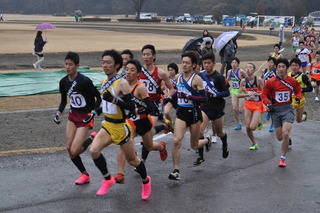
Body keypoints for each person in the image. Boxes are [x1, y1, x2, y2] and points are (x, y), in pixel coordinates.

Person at [89, 50, 151, 199]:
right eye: (103, 62)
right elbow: (104, 104)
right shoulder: (104, 82)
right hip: (108, 125)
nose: (105, 65)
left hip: (121, 127)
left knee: (132, 161)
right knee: (94, 151)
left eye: (108, 62)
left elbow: (131, 106)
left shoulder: (121, 83)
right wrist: (93, 113)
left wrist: (114, 100)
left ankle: (146, 181)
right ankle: (108, 179)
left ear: (117, 65)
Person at [115, 59, 167, 184]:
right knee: (124, 142)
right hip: (129, 122)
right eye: (126, 69)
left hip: (143, 121)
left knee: (148, 146)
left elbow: (150, 108)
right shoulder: (121, 85)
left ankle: (161, 147)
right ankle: (120, 173)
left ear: (138, 74)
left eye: (132, 70)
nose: (128, 72)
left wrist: (137, 112)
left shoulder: (140, 87)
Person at [53, 51, 102, 185]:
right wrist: (58, 114)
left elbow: (99, 97)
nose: (67, 67)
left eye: (71, 64)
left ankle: (92, 138)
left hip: (85, 117)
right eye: (66, 64)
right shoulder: (63, 82)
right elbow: (64, 101)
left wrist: (93, 112)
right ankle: (85, 174)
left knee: (75, 150)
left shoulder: (84, 81)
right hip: (72, 115)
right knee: (69, 148)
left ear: (77, 66)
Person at [166, 51, 211, 180]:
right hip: (181, 113)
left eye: (187, 63)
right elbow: (177, 93)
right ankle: (176, 170)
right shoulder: (178, 77)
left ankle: (206, 140)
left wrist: (188, 96)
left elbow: (204, 99)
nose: (184, 65)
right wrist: (169, 99)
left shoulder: (197, 79)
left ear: (193, 65)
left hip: (194, 114)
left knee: (194, 145)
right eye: (183, 62)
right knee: (176, 141)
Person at [261, 58, 302, 167]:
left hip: (287, 109)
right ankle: (286, 138)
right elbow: (263, 94)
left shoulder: (292, 81)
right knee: (280, 137)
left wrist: (297, 98)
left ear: (287, 68)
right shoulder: (271, 82)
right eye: (279, 67)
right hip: (275, 110)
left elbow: (298, 90)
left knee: (285, 133)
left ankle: (282, 158)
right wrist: (267, 103)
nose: (281, 69)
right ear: (276, 68)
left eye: (283, 67)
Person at [139, 44, 175, 162]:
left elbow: (172, 88)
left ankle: (142, 162)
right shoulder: (138, 71)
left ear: (154, 56)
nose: (145, 57)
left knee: (147, 133)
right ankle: (165, 126)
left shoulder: (160, 72)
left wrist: (168, 97)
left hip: (154, 106)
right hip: (140, 105)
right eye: (144, 54)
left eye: (148, 54)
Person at [193, 53, 230, 165]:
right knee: (200, 131)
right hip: (205, 107)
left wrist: (216, 94)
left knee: (219, 132)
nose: (206, 65)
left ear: (214, 63)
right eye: (204, 63)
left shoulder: (218, 77)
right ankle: (201, 156)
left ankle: (225, 145)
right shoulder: (200, 75)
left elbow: (227, 92)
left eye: (209, 63)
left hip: (217, 108)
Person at [238, 63, 266, 150]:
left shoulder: (258, 80)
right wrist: (248, 95)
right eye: (246, 68)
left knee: (252, 127)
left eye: (250, 68)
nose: (248, 69)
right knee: (247, 126)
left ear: (254, 70)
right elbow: (238, 95)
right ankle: (254, 142)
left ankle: (258, 120)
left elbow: (264, 93)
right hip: (248, 104)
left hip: (258, 104)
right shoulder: (243, 81)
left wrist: (256, 94)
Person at [288, 57, 312, 123]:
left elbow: (310, 88)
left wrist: (300, 89)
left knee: (298, 120)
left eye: (296, 65)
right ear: (290, 66)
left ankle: (304, 116)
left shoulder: (303, 76)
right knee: (289, 110)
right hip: (290, 99)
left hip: (300, 99)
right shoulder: (287, 75)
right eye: (293, 65)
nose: (294, 67)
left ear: (299, 66)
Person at [226, 57, 247, 130]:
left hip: (241, 91)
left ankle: (248, 120)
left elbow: (247, 79)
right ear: (231, 64)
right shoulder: (229, 72)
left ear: (238, 64)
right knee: (235, 108)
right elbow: (227, 80)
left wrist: (244, 86)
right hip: (234, 91)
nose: (234, 64)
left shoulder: (241, 71)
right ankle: (239, 123)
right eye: (232, 62)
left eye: (235, 63)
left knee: (241, 109)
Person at [261, 57, 277, 132]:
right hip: (265, 91)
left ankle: (272, 125)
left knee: (273, 107)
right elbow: (262, 79)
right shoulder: (264, 71)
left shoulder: (275, 71)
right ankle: (268, 111)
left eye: (272, 62)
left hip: (273, 92)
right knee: (267, 105)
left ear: (274, 64)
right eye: (269, 62)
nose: (270, 64)